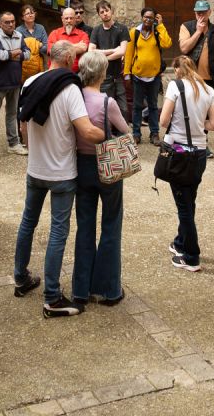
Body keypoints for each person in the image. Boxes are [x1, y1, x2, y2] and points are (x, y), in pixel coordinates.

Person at [13, 41, 104, 317]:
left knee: (28, 222)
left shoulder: (30, 83)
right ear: (66, 58)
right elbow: (86, 131)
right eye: (73, 57)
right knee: (57, 231)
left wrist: (32, 149)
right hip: (62, 171)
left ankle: (21, 277)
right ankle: (52, 297)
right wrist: (107, 134)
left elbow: (22, 123)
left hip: (36, 167)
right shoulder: (69, 88)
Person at [71, 50, 129, 306]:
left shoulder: (73, 99)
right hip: (107, 164)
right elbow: (126, 131)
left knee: (84, 226)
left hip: (81, 165)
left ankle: (81, 289)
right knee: (111, 224)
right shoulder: (108, 102)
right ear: (103, 74)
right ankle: (108, 289)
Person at [159, 55, 214, 272]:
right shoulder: (208, 90)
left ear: (177, 69)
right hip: (200, 153)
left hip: (179, 151)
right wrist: (197, 122)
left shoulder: (175, 87)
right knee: (189, 199)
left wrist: (180, 120)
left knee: (184, 205)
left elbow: (163, 121)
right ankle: (180, 242)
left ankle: (191, 256)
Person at [179, 0, 214, 158]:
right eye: (198, 12)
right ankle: (186, 141)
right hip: (189, 78)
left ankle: (202, 143)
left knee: (206, 113)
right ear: (195, 13)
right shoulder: (186, 27)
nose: (200, 15)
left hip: (208, 80)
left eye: (203, 12)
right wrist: (198, 32)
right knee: (188, 111)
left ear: (209, 12)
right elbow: (184, 48)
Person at [124, 7, 172, 146]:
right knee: (137, 106)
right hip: (138, 76)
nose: (148, 20)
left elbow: (167, 43)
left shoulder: (157, 32)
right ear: (142, 17)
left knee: (153, 106)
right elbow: (128, 54)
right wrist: (127, 74)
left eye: (151, 18)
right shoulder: (135, 33)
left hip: (154, 76)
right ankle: (136, 134)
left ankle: (154, 134)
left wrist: (161, 25)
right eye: (146, 17)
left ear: (154, 19)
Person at [0, 11, 29, 159]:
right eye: (7, 22)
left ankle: (13, 144)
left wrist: (11, 54)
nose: (11, 24)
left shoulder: (19, 35)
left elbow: (28, 54)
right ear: (0, 23)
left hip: (15, 83)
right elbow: (0, 55)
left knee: (12, 114)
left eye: (12, 21)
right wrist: (16, 53)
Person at [89, 0, 129, 118]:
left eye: (107, 10)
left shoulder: (122, 28)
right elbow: (91, 51)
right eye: (102, 12)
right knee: (106, 108)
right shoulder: (96, 30)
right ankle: (108, 134)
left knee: (123, 108)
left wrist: (102, 57)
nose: (105, 13)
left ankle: (123, 135)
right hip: (103, 76)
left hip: (118, 75)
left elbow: (122, 51)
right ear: (99, 14)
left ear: (111, 11)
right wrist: (112, 51)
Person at [18, 3, 48, 75]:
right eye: (27, 13)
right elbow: (20, 49)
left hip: (39, 64)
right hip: (24, 65)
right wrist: (38, 45)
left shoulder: (41, 28)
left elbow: (46, 46)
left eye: (32, 13)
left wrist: (31, 46)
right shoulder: (18, 30)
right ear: (22, 17)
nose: (31, 15)